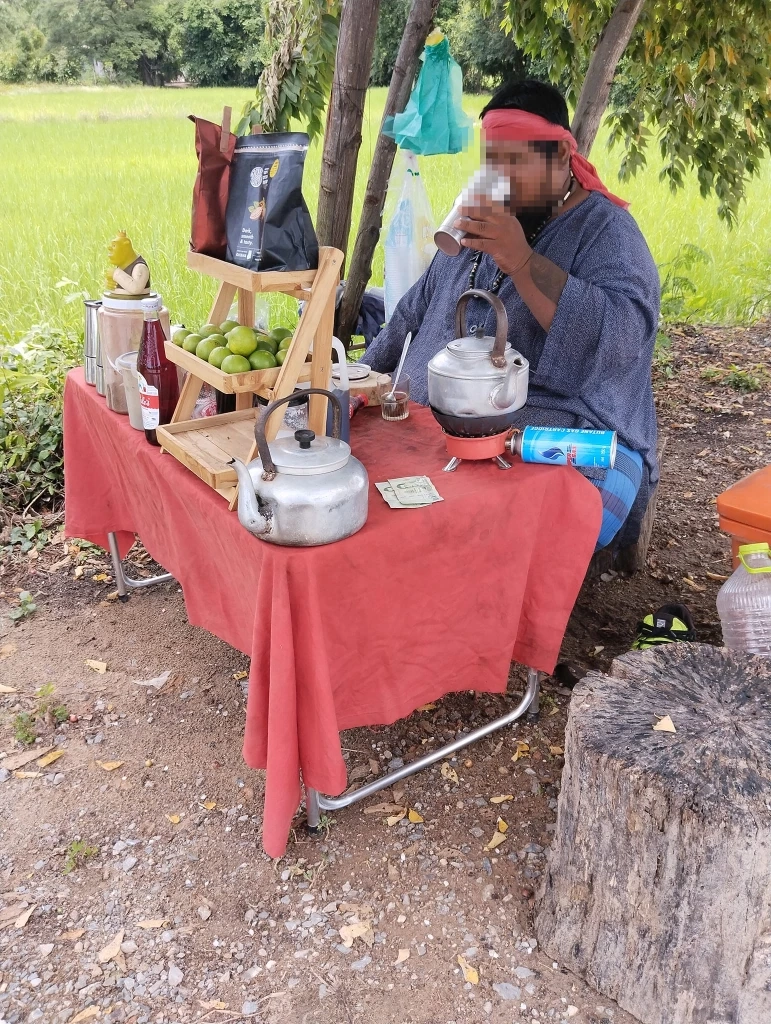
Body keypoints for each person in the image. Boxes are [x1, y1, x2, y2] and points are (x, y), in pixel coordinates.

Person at [365, 79, 660, 551]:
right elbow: (413, 311)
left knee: (472, 528)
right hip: (437, 421)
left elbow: (621, 345)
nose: (497, 177)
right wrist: (362, 377)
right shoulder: (481, 219)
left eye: (514, 162)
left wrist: (522, 262)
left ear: (561, 158)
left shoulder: (608, 233)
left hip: (554, 428)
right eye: (490, 161)